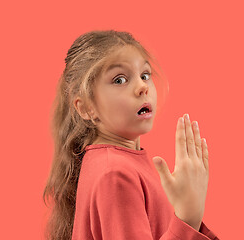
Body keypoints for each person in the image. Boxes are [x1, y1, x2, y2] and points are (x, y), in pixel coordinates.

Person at [43, 30, 219, 240]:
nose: (142, 87)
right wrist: (188, 217)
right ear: (86, 108)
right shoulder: (115, 173)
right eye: (120, 80)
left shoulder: (118, 163)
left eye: (145, 75)